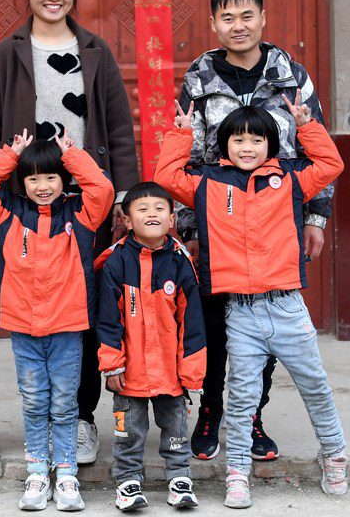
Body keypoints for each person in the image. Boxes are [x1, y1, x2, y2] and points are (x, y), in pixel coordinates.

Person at [0, 0, 139, 465]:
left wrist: (126, 196)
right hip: (25, 203)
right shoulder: (6, 54)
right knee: (33, 311)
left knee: (82, 310)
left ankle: (81, 418)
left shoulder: (95, 50)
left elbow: (118, 129)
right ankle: (41, 423)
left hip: (84, 201)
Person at [155, 98, 347, 508]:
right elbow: (166, 176)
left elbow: (331, 166)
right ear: (223, 145)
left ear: (271, 144)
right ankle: (238, 474)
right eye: (238, 139)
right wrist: (181, 134)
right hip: (240, 311)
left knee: (315, 386)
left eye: (257, 139)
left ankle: (334, 455)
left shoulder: (291, 179)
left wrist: (307, 126)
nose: (247, 147)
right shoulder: (207, 183)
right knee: (241, 396)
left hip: (288, 307)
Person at [176, 0, 336, 463]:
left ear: (263, 19)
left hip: (277, 220)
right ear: (213, 24)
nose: (238, 26)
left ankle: (251, 416)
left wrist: (316, 217)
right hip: (216, 221)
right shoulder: (199, 77)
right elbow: (185, 153)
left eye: (247, 16)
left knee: (264, 322)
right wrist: (189, 230)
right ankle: (210, 412)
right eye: (227, 17)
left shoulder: (291, 74)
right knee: (216, 325)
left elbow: (316, 143)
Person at [0, 128, 114, 511]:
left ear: (63, 179)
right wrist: (11, 154)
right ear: (23, 181)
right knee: (34, 401)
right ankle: (37, 472)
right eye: (33, 178)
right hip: (24, 326)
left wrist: (72, 155)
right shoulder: (6, 213)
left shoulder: (79, 215)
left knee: (65, 403)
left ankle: (66, 475)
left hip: (68, 327)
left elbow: (102, 190)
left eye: (51, 177)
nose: (42, 185)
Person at [95, 182, 206, 511]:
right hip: (129, 371)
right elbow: (107, 320)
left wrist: (191, 370)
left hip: (171, 371)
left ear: (172, 218)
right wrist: (111, 363)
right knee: (127, 429)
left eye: (159, 208)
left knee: (175, 426)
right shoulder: (117, 262)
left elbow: (193, 323)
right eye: (142, 209)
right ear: (128, 221)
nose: (152, 214)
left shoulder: (180, 262)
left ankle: (179, 476)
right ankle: (128, 479)